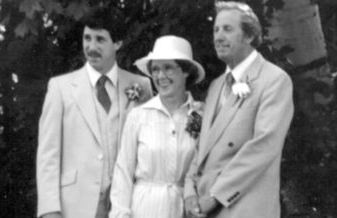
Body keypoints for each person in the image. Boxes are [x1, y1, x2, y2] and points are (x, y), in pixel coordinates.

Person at [36, 7, 153, 218]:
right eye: (87, 38)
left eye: (100, 39)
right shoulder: (60, 88)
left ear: (117, 43)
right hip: (76, 206)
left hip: (129, 205)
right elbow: (48, 157)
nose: (91, 47)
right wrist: (49, 211)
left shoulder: (140, 86)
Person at [184, 2, 294, 218]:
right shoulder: (216, 86)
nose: (218, 36)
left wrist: (215, 195)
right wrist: (189, 193)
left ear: (250, 36)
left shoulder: (274, 80)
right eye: (215, 29)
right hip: (206, 209)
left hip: (244, 208)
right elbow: (202, 148)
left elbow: (264, 146)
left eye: (227, 29)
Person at [109, 35, 205, 218]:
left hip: (183, 210)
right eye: (155, 69)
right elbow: (123, 173)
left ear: (186, 71)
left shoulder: (201, 115)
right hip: (144, 209)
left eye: (168, 68)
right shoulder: (138, 116)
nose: (160, 76)